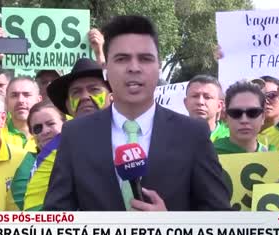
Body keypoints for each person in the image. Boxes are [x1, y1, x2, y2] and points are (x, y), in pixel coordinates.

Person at [44, 14, 230, 212]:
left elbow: (220, 218)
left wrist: (173, 228)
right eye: (122, 59)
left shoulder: (193, 133)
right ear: (105, 69)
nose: (134, 68)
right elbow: (55, 217)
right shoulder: (76, 134)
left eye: (145, 58)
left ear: (159, 66)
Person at [214, 80, 279, 180]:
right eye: (236, 113)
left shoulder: (278, 163)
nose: (244, 120)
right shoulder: (208, 156)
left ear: (263, 117)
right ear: (226, 117)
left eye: (253, 112)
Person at [10, 101, 65, 211]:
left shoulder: (81, 154)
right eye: (38, 128)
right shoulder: (27, 165)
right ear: (32, 135)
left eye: (50, 124)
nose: (45, 131)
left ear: (65, 124)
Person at [47, 58, 111, 118]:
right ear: (67, 105)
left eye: (94, 89)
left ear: (112, 96)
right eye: (76, 92)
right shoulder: (65, 130)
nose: (84, 96)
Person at [183, 75, 229, 142]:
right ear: (185, 103)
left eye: (207, 97)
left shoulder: (232, 138)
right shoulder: (172, 136)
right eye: (195, 96)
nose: (200, 102)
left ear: (219, 106)